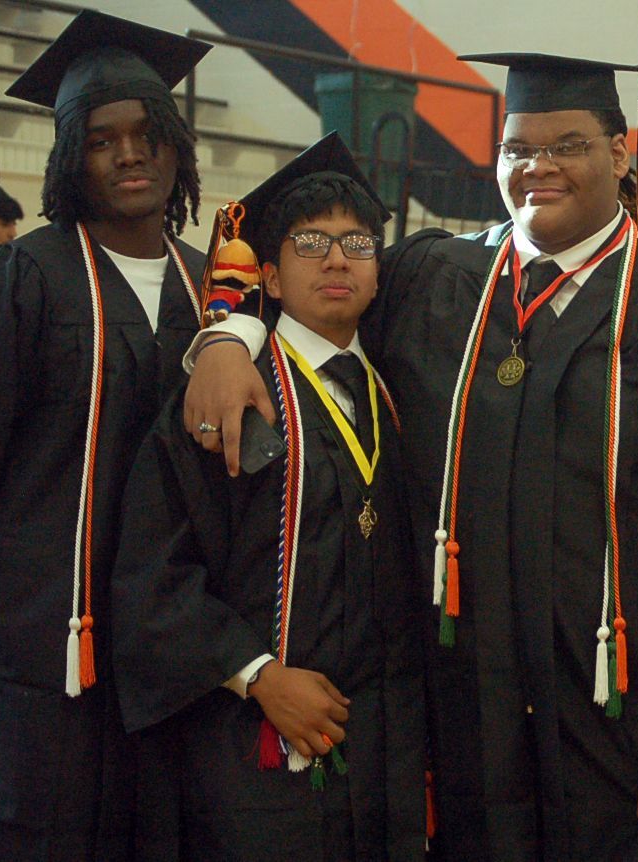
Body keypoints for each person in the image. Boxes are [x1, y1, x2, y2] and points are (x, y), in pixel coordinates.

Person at [180, 53, 638, 861]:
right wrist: (228, 338)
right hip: (465, 717)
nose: (538, 166)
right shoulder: (434, 278)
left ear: (621, 153)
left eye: (567, 146)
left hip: (628, 709)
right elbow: (314, 301)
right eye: (518, 148)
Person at [111, 133, 425, 860]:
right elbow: (155, 571)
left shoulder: (401, 389)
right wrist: (257, 676)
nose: (338, 259)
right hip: (252, 750)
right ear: (272, 279)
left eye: (358, 243)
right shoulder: (226, 396)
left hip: (384, 750)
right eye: (311, 242)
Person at [0, 12, 209, 860]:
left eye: (147, 134)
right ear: (69, 162)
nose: (129, 154)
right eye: (100, 141)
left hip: (174, 649)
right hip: (50, 641)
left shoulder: (214, 291)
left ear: (176, 149)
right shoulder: (31, 277)